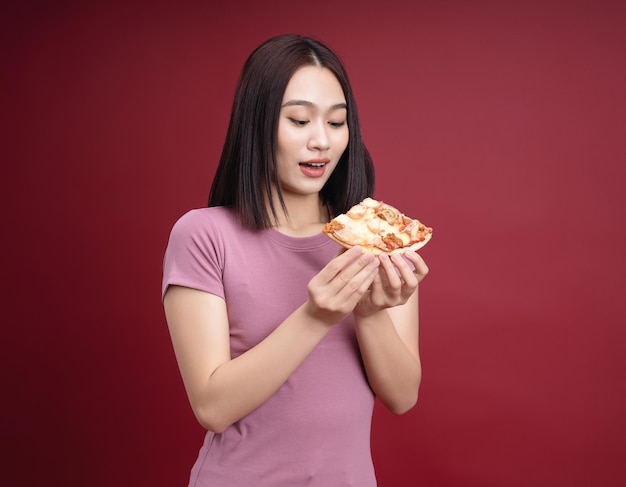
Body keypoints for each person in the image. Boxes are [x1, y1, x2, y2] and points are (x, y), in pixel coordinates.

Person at [162, 34, 429, 486]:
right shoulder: (203, 236)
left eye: (337, 122)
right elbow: (212, 407)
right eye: (300, 120)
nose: (321, 141)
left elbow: (402, 397)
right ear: (258, 124)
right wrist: (316, 315)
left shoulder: (376, 237)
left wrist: (368, 310)